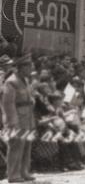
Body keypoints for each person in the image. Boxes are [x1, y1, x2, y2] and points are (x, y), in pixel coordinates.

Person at [1, 55, 35, 183]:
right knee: (16, 146)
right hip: (17, 118)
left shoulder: (25, 80)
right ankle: (13, 174)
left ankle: (24, 171)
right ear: (21, 68)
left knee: (26, 146)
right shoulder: (11, 82)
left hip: (27, 117)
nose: (30, 69)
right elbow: (8, 104)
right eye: (28, 66)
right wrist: (12, 121)